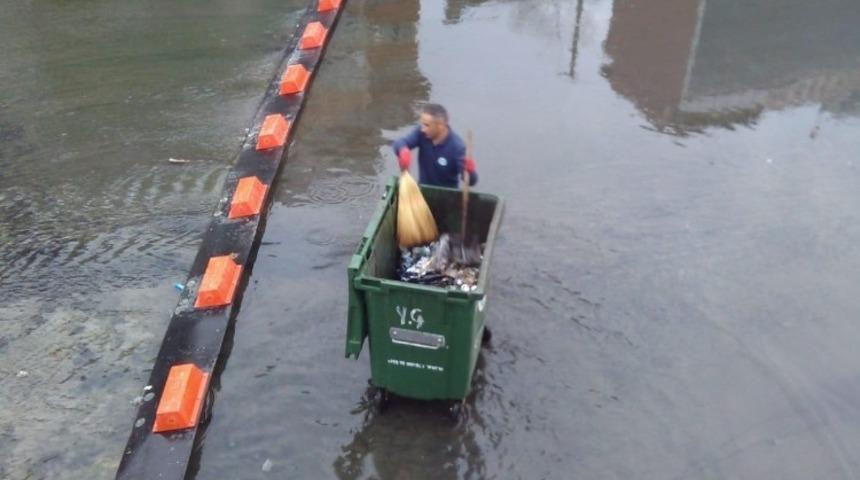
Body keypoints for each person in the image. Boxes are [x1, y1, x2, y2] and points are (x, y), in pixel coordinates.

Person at [392, 103, 478, 188]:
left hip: (447, 195)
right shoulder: (421, 133)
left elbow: (470, 182)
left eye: (427, 125)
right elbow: (400, 142)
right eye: (422, 124)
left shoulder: (457, 148)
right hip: (423, 190)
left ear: (440, 126)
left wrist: (470, 172)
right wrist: (403, 150)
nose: (422, 129)